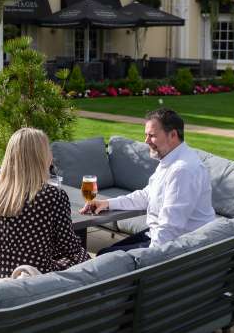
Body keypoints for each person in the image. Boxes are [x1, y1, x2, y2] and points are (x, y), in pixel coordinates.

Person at [81, 108, 215, 253]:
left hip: (179, 248)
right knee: (107, 253)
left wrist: (147, 259)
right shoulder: (171, 160)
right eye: (146, 135)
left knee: (106, 257)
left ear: (173, 135)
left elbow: (170, 227)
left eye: (152, 136)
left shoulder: (182, 170)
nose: (146, 141)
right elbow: (147, 195)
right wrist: (107, 203)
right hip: (160, 235)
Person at [0, 127, 89, 284]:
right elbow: (69, 248)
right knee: (84, 258)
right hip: (34, 283)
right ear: (41, 157)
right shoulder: (54, 196)